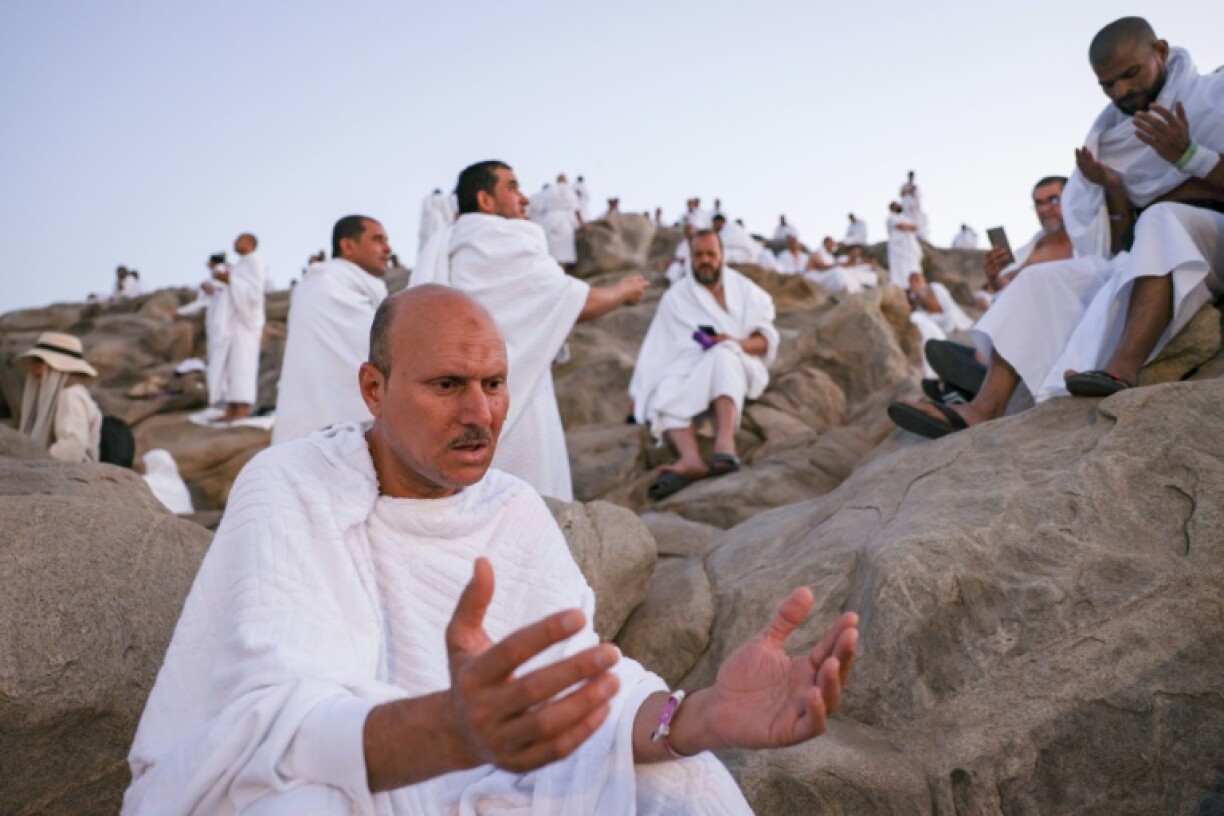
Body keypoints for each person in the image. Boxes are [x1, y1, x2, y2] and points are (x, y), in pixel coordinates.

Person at [123, 285, 859, 814]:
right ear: (374, 389)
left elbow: (578, 695)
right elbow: (268, 725)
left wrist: (703, 717)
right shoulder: (290, 483)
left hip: (492, 784)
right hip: (352, 787)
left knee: (685, 784)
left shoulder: (511, 509)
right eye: (448, 384)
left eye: (495, 384)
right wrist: (455, 729)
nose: (480, 413)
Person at [889, 17, 1224, 439]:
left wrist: (1189, 155)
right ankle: (983, 406)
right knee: (1041, 280)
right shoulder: (1111, 134)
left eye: (1130, 75)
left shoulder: (1214, 97)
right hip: (1154, 247)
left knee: (1160, 221)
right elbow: (1123, 238)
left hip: (1213, 238)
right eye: (1107, 85)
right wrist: (1112, 186)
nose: (1120, 92)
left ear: (1159, 51)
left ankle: (1122, 369)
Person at [412, 160, 648, 500]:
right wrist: (623, 291)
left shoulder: (453, 245)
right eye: (512, 188)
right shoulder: (500, 241)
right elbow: (570, 300)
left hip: (463, 410)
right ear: (486, 201)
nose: (525, 199)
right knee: (523, 506)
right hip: (513, 404)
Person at [630, 230, 779, 501]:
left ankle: (726, 444)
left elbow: (764, 341)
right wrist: (638, 390)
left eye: (711, 254)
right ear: (690, 258)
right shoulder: (676, 297)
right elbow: (657, 349)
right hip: (690, 365)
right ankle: (691, 459)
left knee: (723, 354)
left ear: (722, 256)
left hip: (738, 360)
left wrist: (731, 341)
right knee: (664, 386)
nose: (705, 260)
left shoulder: (746, 291)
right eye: (699, 255)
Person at [272, 215, 391, 445]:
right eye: (377, 240)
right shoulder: (329, 286)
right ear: (347, 246)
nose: (387, 248)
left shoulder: (323, 282)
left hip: (306, 432)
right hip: (341, 433)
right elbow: (385, 352)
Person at [207, 233, 267, 422]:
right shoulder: (241, 264)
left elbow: (254, 294)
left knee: (243, 366)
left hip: (246, 324)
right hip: (234, 324)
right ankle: (230, 409)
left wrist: (231, 280)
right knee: (231, 367)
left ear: (249, 243)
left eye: (239, 240)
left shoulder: (255, 261)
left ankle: (242, 409)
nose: (234, 242)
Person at [16, 332, 103, 462]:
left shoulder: (71, 396)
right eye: (34, 360)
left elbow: (72, 446)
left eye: (40, 361)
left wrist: (36, 465)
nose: (34, 367)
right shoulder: (63, 395)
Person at [541, 173, 584, 269]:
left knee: (551, 250)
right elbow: (576, 209)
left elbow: (541, 208)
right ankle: (560, 272)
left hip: (549, 220)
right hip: (564, 221)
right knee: (563, 252)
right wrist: (582, 224)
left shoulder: (549, 191)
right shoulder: (569, 191)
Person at [885, 202, 923, 288]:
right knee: (900, 268)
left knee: (913, 266)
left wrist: (908, 227)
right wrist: (908, 227)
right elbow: (900, 226)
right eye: (896, 205)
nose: (899, 206)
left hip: (910, 247)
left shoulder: (906, 218)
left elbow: (915, 227)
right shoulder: (891, 217)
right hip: (898, 246)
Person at [900, 171, 929, 241]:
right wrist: (908, 190)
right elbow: (901, 193)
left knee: (917, 219)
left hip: (914, 206)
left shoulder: (916, 187)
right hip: (906, 204)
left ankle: (916, 234)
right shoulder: (904, 186)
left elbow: (918, 197)